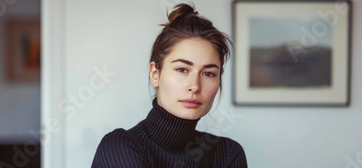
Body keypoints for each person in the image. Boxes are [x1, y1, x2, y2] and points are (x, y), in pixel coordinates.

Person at [92, 3, 247, 167]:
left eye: (208, 73)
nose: (195, 86)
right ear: (155, 74)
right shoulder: (120, 147)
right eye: (182, 69)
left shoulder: (228, 154)